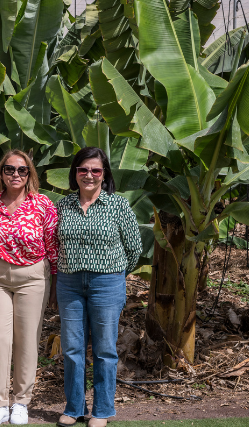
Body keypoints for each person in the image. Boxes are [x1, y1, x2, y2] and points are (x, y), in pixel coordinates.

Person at [55, 147, 142, 427]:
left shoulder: (118, 205)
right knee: (72, 348)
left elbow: (134, 248)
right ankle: (74, 408)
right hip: (69, 283)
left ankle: (102, 411)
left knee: (104, 349)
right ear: (75, 173)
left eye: (95, 170)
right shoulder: (62, 205)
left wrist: (114, 274)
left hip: (106, 282)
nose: (89, 175)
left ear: (104, 174)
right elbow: (54, 244)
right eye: (83, 169)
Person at [0, 150, 59, 426]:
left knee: (27, 342)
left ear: (29, 174)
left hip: (32, 276)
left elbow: (52, 246)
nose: (15, 174)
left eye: (22, 170)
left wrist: (55, 283)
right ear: (1, 172)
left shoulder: (42, 204)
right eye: (10, 169)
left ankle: (21, 402)